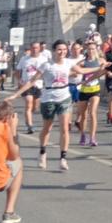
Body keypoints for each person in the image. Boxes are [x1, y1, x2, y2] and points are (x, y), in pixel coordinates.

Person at [15, 39, 97, 171]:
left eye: (64, 50)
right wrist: (16, 94)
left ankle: (63, 158)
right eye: (59, 49)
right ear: (54, 51)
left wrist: (100, 67)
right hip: (48, 98)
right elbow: (32, 81)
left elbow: (82, 71)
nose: (62, 52)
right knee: (47, 128)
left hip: (64, 97)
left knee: (64, 128)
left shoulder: (69, 62)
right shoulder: (46, 65)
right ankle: (42, 152)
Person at [75, 39, 105, 147]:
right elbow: (75, 69)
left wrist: (109, 72)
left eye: (93, 49)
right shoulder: (83, 62)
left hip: (95, 90)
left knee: (92, 113)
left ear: (96, 49)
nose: (91, 51)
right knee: (83, 115)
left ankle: (92, 137)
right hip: (84, 90)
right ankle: (83, 135)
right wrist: (78, 76)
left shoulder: (100, 61)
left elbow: (108, 68)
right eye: (89, 49)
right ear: (86, 50)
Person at [15, 41, 49, 134]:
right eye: (33, 48)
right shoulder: (24, 59)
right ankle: (30, 125)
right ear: (30, 48)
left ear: (39, 48)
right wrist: (19, 80)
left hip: (38, 85)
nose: (34, 50)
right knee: (28, 103)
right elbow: (18, 71)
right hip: (27, 85)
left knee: (35, 107)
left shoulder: (43, 59)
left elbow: (47, 72)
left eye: (36, 48)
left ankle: (28, 117)